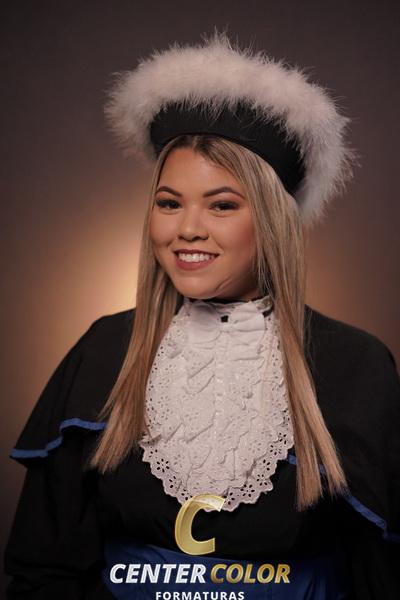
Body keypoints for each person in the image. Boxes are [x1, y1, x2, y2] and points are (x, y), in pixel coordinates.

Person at [4, 31, 400, 600]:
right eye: (169, 203)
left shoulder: (356, 364)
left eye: (222, 205)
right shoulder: (105, 348)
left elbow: (380, 576)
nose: (187, 229)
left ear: (272, 222)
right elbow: (44, 570)